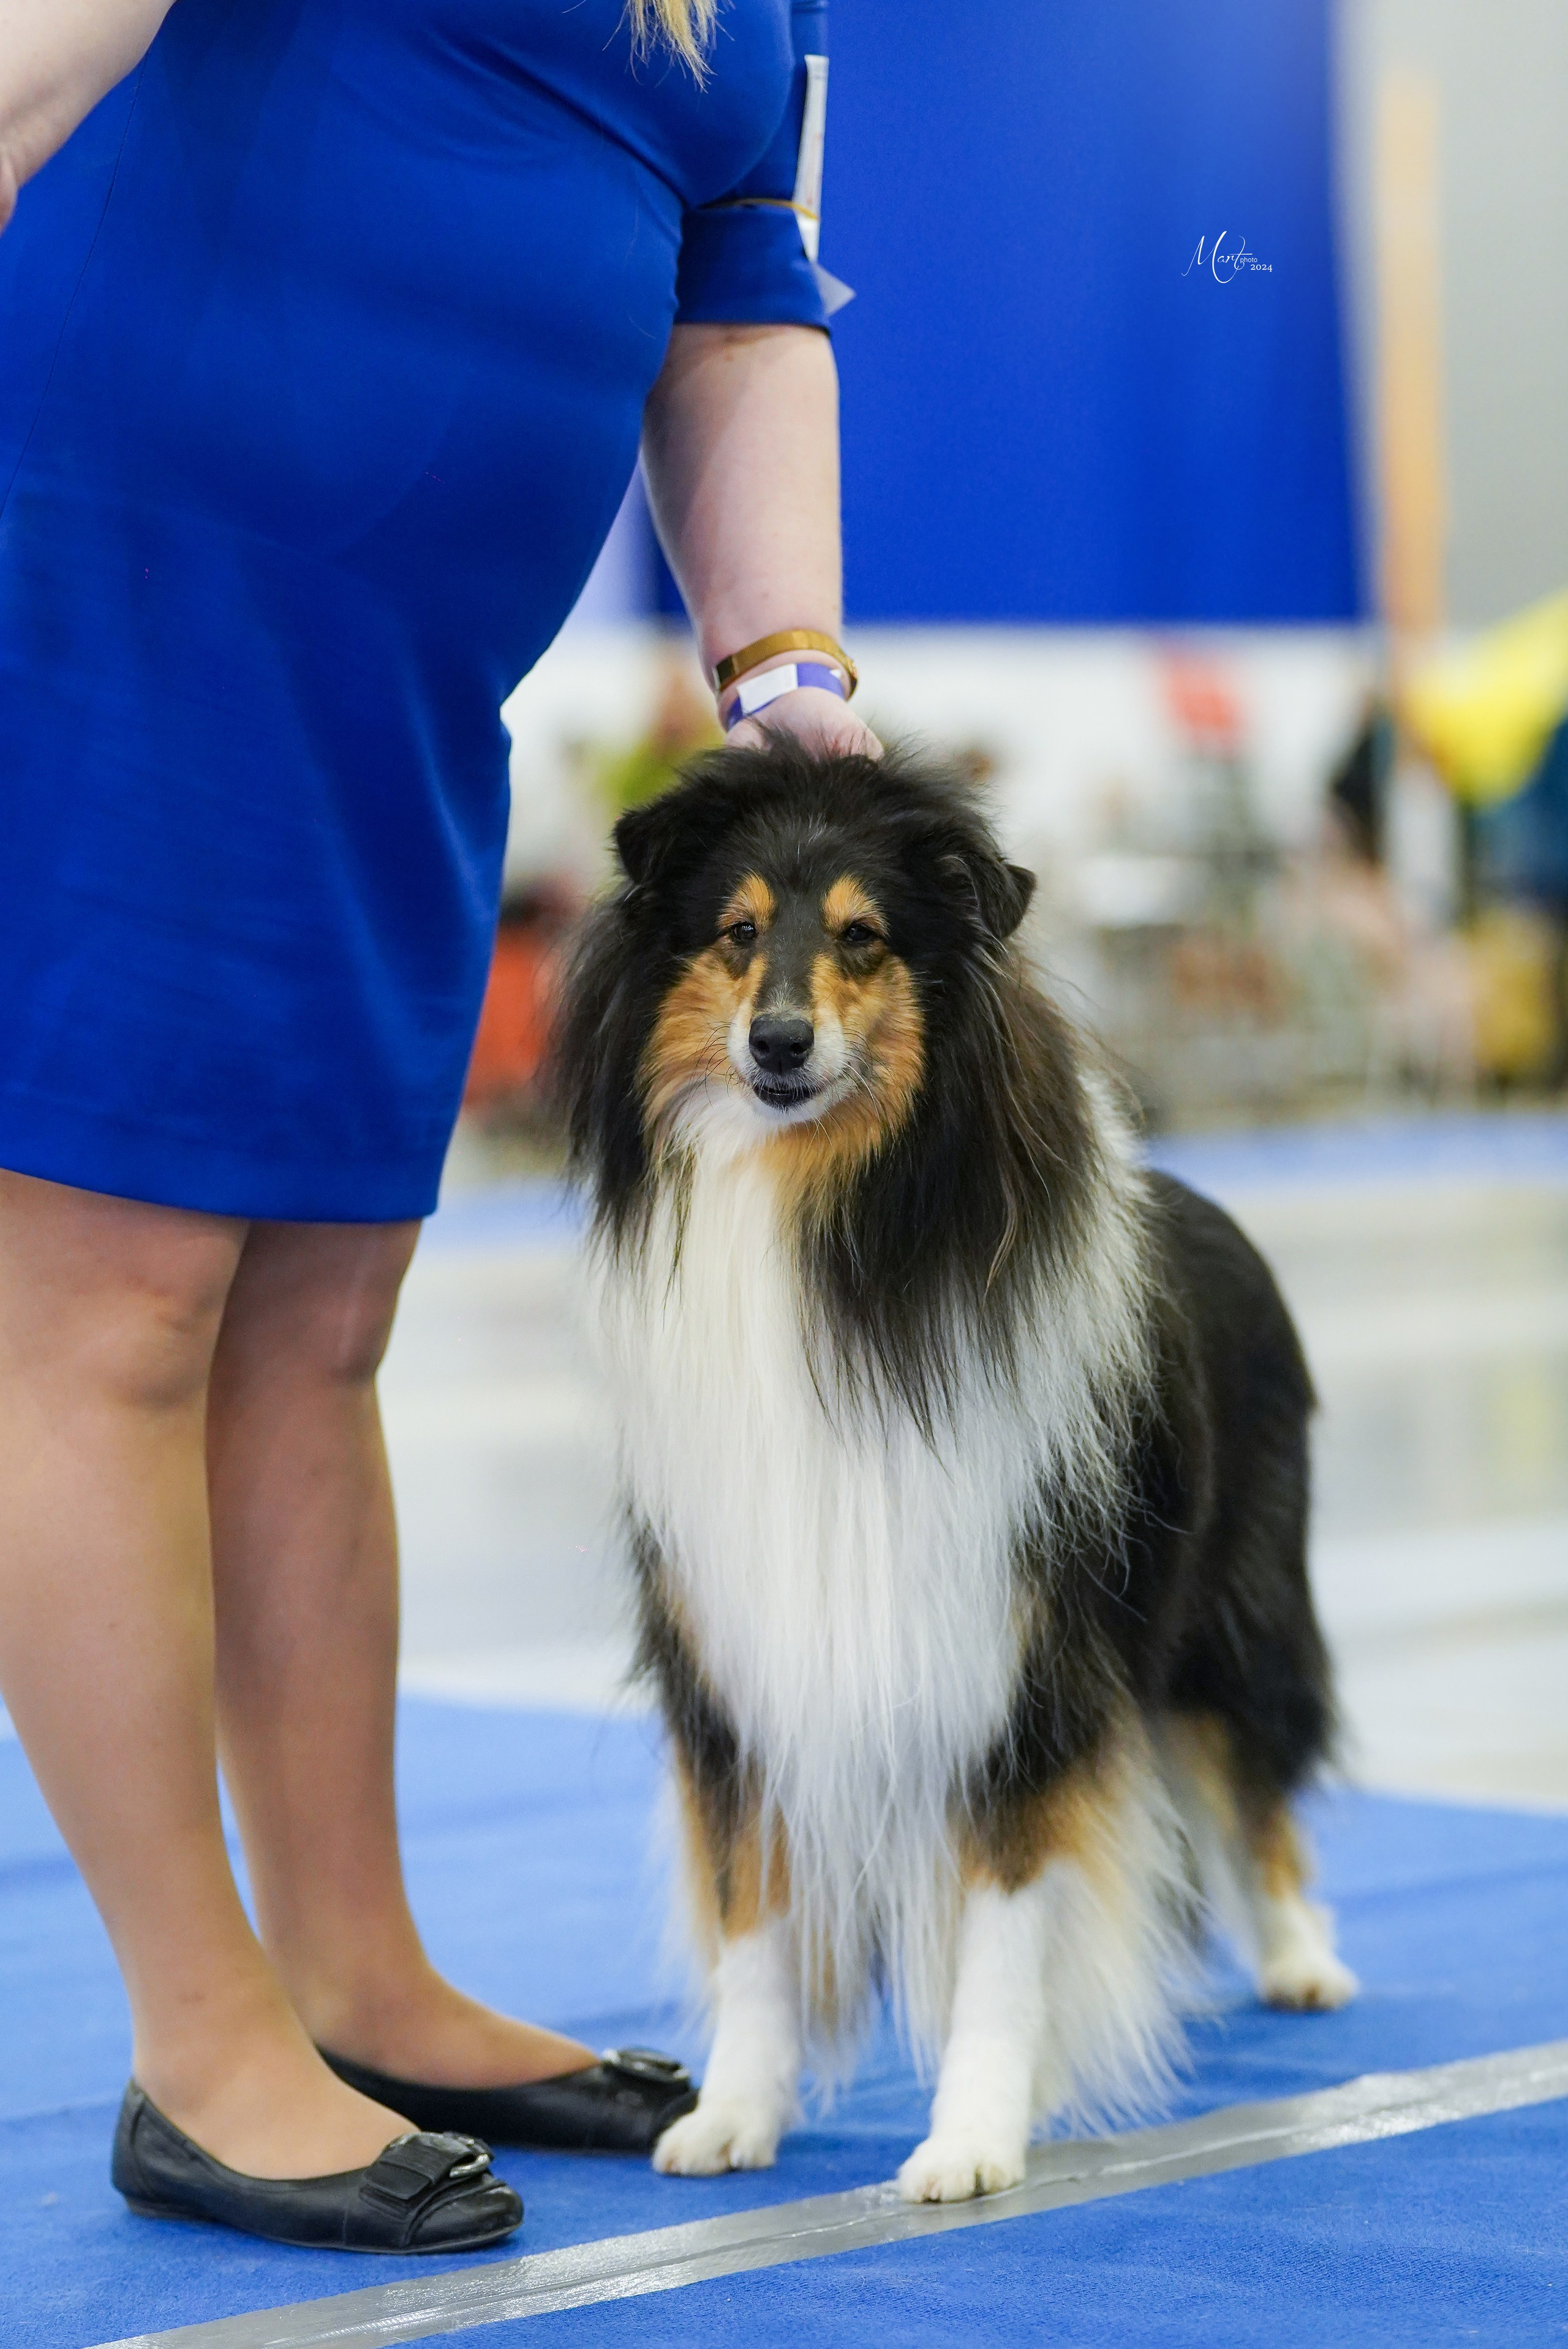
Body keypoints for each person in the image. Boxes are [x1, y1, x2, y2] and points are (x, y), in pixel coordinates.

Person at [0, 0, 878, 2253]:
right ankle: (202, 2042)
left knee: (316, 1313)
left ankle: (351, 1966)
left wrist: (788, 651)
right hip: (115, 567)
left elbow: (740, 291)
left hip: (387, 671)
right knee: (108, 1306)